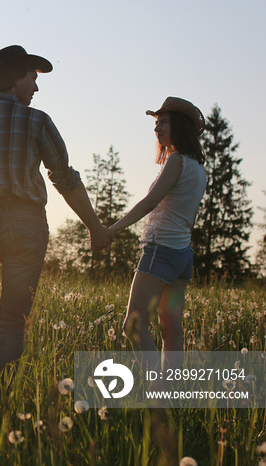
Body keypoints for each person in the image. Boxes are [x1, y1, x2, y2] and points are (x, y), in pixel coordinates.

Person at [0, 45, 113, 377]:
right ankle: (1, 398)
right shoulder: (38, 121)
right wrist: (95, 227)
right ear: (14, 76)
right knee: (14, 320)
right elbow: (66, 179)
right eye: (32, 77)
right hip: (27, 225)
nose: (36, 87)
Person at [109, 97, 207, 374]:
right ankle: (173, 389)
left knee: (133, 326)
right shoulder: (199, 169)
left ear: (180, 127)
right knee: (171, 328)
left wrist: (110, 230)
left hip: (160, 252)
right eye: (156, 123)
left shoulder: (175, 161)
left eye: (163, 122)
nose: (157, 128)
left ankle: (159, 388)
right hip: (182, 256)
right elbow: (191, 220)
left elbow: (149, 202)